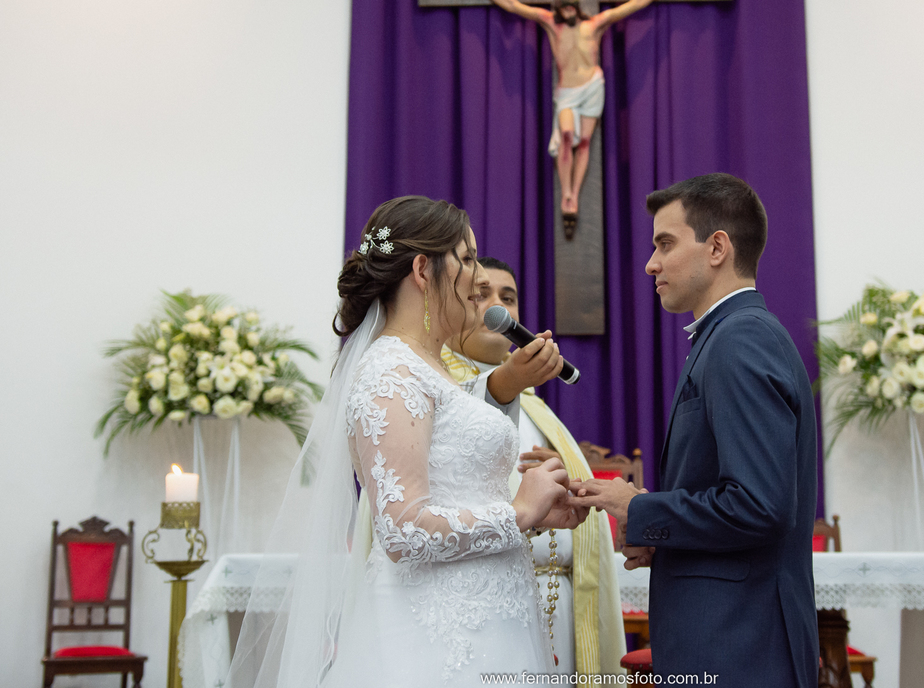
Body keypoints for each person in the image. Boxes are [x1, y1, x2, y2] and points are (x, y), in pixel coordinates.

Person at [226, 196, 583, 688]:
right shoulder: (389, 372)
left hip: (493, 617)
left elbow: (454, 483)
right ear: (422, 269)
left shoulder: (425, 365)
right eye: (467, 257)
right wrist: (517, 511)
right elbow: (402, 530)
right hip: (433, 637)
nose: (479, 278)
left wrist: (535, 507)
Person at [571, 174, 820, 685]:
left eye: (665, 243)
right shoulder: (728, 336)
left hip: (738, 645)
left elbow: (759, 507)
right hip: (730, 638)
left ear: (717, 248)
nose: (651, 263)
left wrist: (635, 507)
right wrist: (662, 535)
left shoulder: (739, 340)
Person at [441, 257, 626, 680]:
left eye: (508, 298)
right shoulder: (435, 393)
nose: (497, 305)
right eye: (482, 295)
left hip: (559, 601)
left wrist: (564, 479)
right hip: (479, 602)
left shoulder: (537, 409)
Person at [465, 0, 683, 237]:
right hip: (567, 91)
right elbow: (514, 5)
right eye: (563, 8)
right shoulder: (549, 24)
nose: (567, 11)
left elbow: (633, 4)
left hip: (592, 86)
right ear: (558, 10)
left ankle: (574, 195)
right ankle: (566, 191)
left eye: (571, 7)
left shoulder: (594, 25)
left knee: (585, 143)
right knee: (566, 135)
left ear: (576, 8)